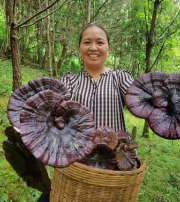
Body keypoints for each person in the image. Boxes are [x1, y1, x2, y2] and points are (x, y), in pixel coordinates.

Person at [38, 23, 134, 202]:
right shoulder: (69, 80)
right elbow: (51, 110)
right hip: (75, 162)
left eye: (100, 42)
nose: (93, 48)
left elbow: (140, 97)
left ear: (108, 48)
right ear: (80, 49)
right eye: (87, 42)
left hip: (112, 163)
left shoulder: (120, 78)